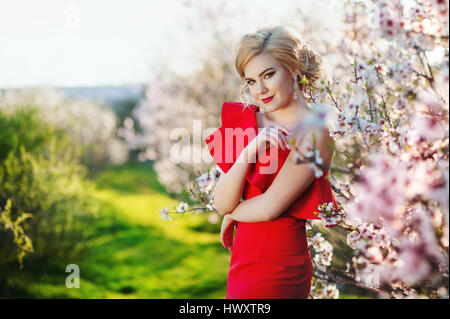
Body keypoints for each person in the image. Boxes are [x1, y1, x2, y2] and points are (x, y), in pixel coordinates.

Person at [204, 25, 338, 299]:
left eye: (269, 74)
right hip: (242, 260)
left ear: (294, 69)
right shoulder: (248, 122)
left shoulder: (314, 133)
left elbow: (269, 207)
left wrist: (232, 213)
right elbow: (221, 201)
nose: (260, 89)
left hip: (280, 264)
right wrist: (249, 151)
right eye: (251, 81)